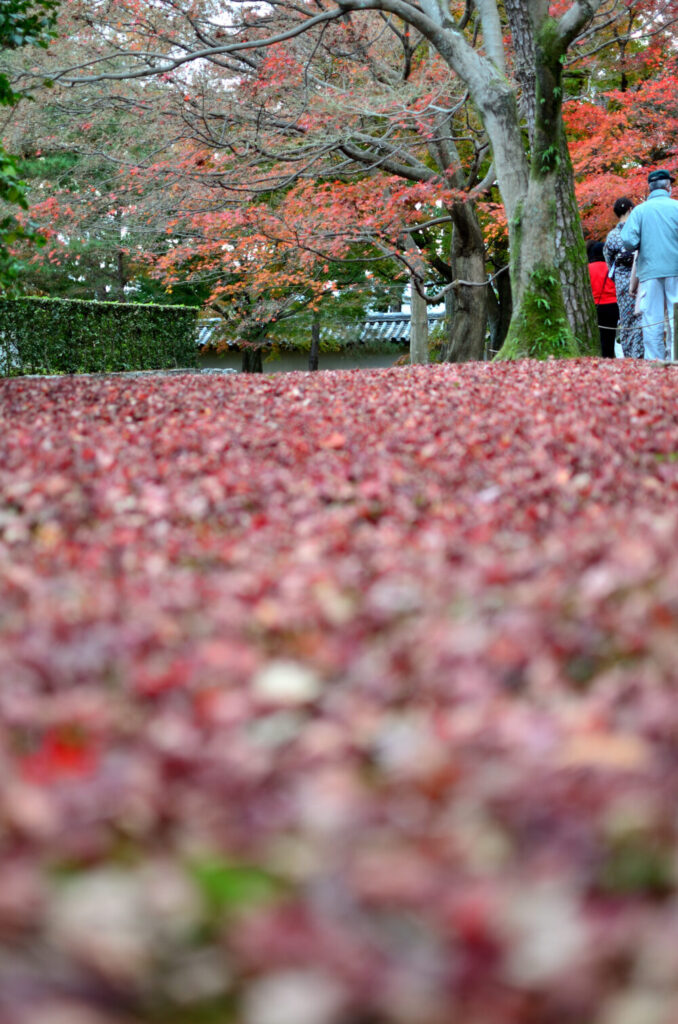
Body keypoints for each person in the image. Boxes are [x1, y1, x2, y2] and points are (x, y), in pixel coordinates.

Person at [620, 168, 678, 360]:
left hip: (649, 272)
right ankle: (675, 359)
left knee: (652, 320)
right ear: (668, 186)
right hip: (676, 270)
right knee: (675, 317)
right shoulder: (676, 207)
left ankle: (655, 363)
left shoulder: (639, 211)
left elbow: (628, 241)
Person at [603, 198, 643, 358]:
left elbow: (609, 261)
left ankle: (628, 354)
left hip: (621, 278)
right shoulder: (638, 231)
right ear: (631, 210)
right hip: (641, 277)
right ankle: (639, 353)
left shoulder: (612, 235)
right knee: (641, 317)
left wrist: (619, 275)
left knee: (626, 319)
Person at [587, 240, 618, 358]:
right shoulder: (611, 268)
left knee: (597, 336)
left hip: (595, 306)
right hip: (612, 306)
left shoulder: (587, 268)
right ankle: (609, 358)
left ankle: (597, 358)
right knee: (610, 337)